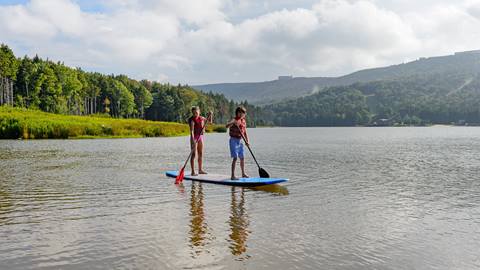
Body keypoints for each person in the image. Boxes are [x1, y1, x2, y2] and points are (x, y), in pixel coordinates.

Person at [226, 106, 250, 180]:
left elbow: (245, 132)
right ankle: (232, 175)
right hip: (233, 140)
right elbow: (226, 126)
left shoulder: (243, 121)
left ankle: (243, 173)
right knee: (235, 158)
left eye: (242, 113)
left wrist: (247, 141)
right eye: (239, 112)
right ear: (237, 113)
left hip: (240, 141)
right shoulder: (234, 119)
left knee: (242, 158)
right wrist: (232, 122)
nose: (241, 114)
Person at [188, 106, 212, 176]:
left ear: (199, 112)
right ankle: (192, 171)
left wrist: (210, 115)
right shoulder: (192, 120)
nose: (195, 114)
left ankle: (200, 170)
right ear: (192, 113)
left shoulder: (202, 118)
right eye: (194, 113)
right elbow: (192, 131)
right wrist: (193, 140)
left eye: (196, 112)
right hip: (194, 137)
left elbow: (210, 122)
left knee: (200, 153)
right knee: (193, 154)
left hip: (200, 137)